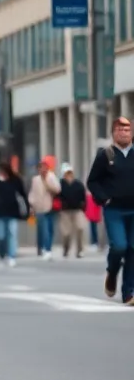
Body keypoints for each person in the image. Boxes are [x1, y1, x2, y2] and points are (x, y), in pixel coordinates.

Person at [86, 115, 134, 304]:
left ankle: (129, 292)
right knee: (119, 246)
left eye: (127, 130)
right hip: (114, 209)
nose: (124, 133)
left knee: (132, 249)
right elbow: (92, 181)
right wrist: (103, 198)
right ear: (114, 133)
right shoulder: (106, 155)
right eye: (120, 129)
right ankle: (112, 272)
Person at [0, 162, 28, 268]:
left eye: (4, 171)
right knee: (1, 236)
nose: (2, 173)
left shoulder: (15, 181)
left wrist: (28, 208)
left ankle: (11, 256)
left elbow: (23, 194)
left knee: (12, 235)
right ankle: (2, 255)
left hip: (12, 213)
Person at [28, 157, 61, 259]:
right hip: (39, 207)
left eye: (44, 167)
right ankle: (41, 247)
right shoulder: (35, 180)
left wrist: (47, 183)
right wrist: (32, 205)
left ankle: (48, 249)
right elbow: (32, 194)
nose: (43, 169)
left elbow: (57, 189)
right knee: (41, 229)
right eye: (41, 168)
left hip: (50, 206)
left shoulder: (51, 177)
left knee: (49, 229)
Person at [57, 163, 87, 259]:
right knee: (66, 233)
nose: (69, 174)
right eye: (67, 173)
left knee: (80, 228)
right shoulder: (60, 184)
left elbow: (84, 196)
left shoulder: (78, 184)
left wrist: (83, 207)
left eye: (70, 172)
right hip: (65, 211)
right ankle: (66, 248)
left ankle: (80, 250)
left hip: (77, 210)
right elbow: (57, 196)